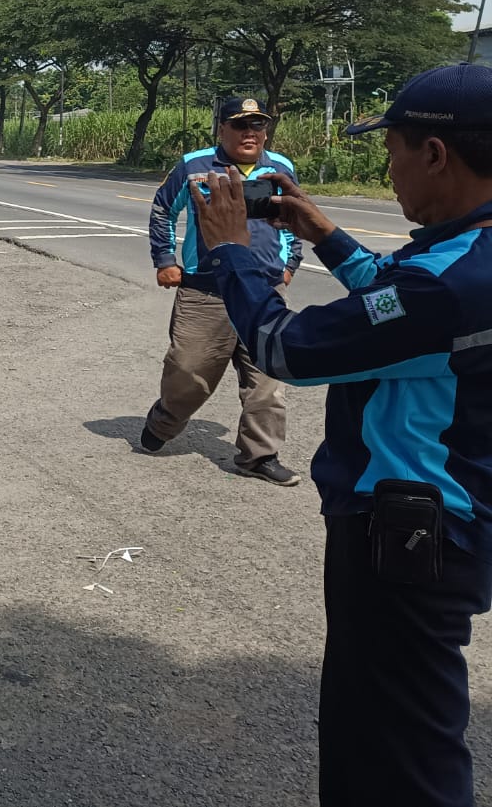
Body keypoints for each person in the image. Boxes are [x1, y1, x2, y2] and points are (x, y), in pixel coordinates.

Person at [191, 62, 492, 807]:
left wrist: (231, 249)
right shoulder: (465, 254)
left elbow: (287, 347)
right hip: (450, 526)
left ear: (434, 154)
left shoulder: (448, 285)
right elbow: (397, 299)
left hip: (408, 539)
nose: (387, 169)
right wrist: (325, 234)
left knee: (400, 746)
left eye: (390, 149)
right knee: (391, 728)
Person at [142, 96, 304, 484]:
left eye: (258, 125)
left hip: (264, 291)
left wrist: (289, 264)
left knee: (267, 379)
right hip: (206, 291)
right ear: (222, 128)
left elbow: (293, 216)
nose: (251, 132)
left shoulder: (279, 168)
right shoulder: (194, 165)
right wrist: (165, 260)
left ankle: (258, 456)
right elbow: (163, 208)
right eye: (241, 124)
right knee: (189, 376)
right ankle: (165, 421)